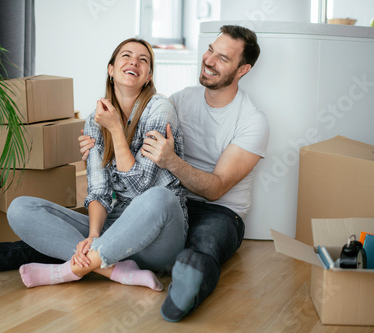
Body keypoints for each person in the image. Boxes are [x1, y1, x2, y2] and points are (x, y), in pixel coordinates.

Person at [0, 38, 188, 291]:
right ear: (111, 69)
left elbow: (141, 186)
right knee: (20, 208)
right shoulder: (96, 120)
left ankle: (69, 270)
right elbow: (98, 191)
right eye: (126, 56)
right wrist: (94, 235)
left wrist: (116, 131)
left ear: (148, 77)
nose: (134, 61)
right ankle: (114, 270)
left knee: (160, 198)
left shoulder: (160, 110)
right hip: (114, 230)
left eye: (143, 60)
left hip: (157, 237)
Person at [79, 25, 269, 321]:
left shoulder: (252, 122)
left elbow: (216, 189)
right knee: (88, 229)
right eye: (210, 50)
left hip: (219, 211)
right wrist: (98, 144)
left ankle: (184, 296)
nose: (209, 60)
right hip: (169, 200)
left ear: (243, 69)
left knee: (201, 248)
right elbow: (134, 145)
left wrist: (172, 161)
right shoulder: (179, 101)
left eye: (223, 58)